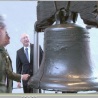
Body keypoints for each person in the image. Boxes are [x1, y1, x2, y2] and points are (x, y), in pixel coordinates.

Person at [0, 22, 30, 93]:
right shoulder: (18, 52)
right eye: (6, 34)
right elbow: (8, 72)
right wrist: (21, 77)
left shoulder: (4, 51)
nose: (9, 37)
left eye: (27, 37)